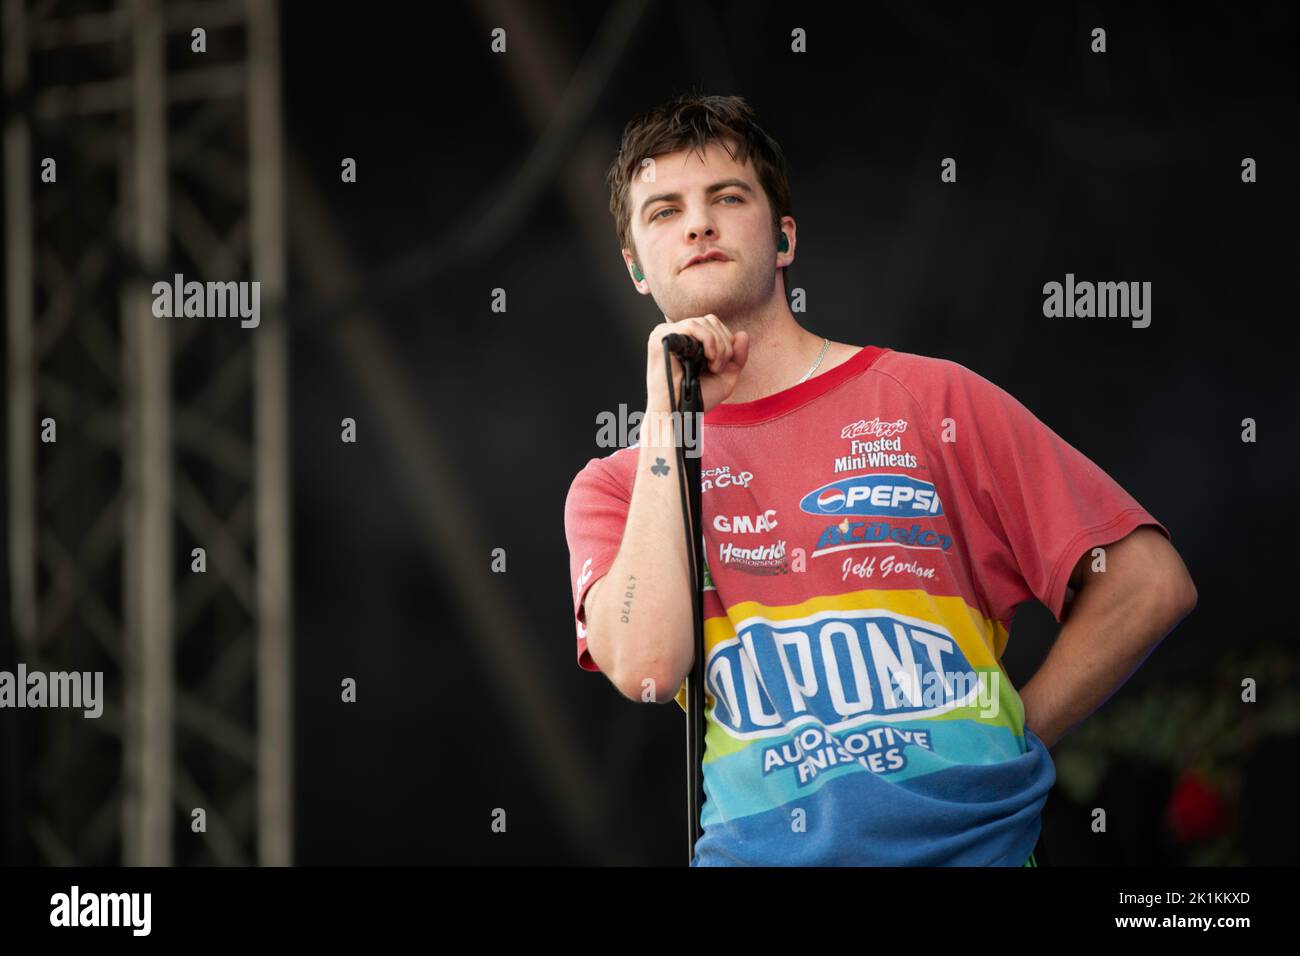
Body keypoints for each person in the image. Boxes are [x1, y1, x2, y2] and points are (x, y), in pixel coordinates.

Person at [563, 93, 1197, 866]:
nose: (698, 223)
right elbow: (648, 670)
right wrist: (669, 415)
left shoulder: (930, 399)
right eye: (663, 211)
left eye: (728, 197)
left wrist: (1009, 742)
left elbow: (1148, 581)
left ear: (785, 236)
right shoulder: (617, 486)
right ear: (634, 265)